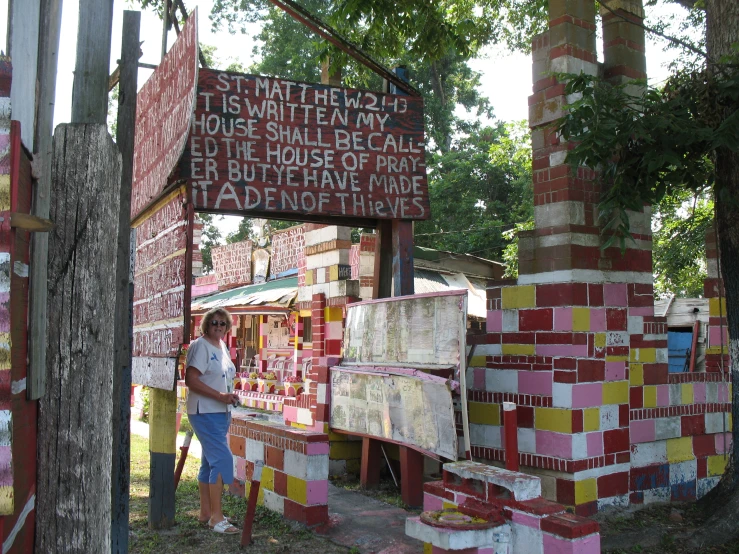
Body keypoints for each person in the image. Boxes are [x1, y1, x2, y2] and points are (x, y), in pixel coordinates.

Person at [185, 307, 239, 534]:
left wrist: (228, 396)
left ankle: (206, 512)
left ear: (227, 327)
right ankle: (217, 518)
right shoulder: (200, 346)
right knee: (223, 460)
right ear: (206, 324)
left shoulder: (223, 346)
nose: (218, 326)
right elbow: (191, 379)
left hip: (220, 412)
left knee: (209, 462)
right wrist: (219, 396)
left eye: (223, 323)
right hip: (204, 410)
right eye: (214, 322)